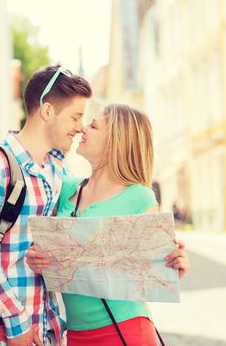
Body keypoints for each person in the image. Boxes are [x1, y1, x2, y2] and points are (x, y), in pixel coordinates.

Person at [26, 104, 190, 346]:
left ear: (116, 141)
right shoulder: (66, 187)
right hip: (74, 333)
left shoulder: (139, 198)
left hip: (125, 331)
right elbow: (47, 250)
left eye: (93, 126)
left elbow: (154, 270)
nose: (82, 128)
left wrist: (175, 264)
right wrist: (36, 258)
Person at [0, 64, 92, 346]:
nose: (80, 127)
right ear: (47, 111)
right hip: (5, 333)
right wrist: (16, 320)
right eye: (75, 117)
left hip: (48, 327)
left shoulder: (56, 169)